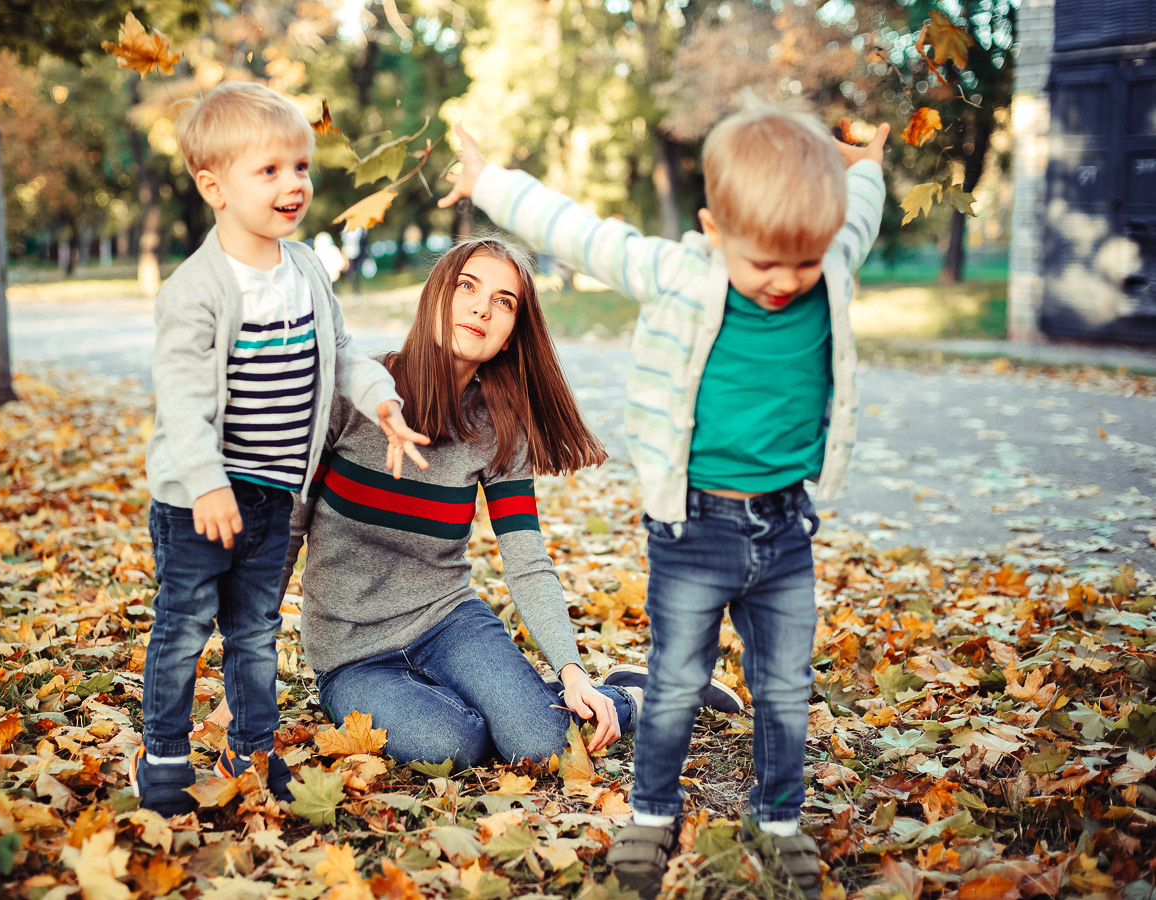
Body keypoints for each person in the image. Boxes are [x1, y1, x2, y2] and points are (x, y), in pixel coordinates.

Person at [439, 108, 888, 898]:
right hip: (693, 528)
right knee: (678, 678)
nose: (785, 279)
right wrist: (488, 181)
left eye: (804, 260)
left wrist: (870, 165)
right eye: (764, 262)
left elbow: (862, 216)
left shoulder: (829, 261)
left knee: (783, 685)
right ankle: (653, 810)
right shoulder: (682, 273)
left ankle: (777, 817)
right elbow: (581, 232)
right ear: (716, 230)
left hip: (786, 527)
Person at [206, 236, 744, 766]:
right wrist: (243, 681)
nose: (482, 308)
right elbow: (281, 538)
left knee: (540, 745)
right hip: (352, 656)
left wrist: (571, 671)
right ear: (438, 295)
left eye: (503, 301)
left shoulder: (498, 428)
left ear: (511, 334)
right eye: (468, 286)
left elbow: (527, 561)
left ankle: (636, 697)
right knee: (454, 745)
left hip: (448, 622)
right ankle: (502, 708)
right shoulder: (351, 394)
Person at [131, 81, 429, 817]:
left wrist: (381, 399)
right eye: (268, 170)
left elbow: (343, 352)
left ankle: (252, 748)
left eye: (299, 167)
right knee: (184, 626)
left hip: (271, 496)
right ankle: (164, 755)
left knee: (255, 631)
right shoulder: (196, 290)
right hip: (199, 496)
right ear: (214, 186)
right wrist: (205, 483)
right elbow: (181, 399)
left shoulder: (304, 271)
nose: (293, 183)